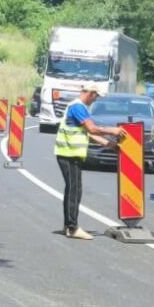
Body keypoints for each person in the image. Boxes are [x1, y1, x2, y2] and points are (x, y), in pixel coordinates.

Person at [55, 82, 125, 239]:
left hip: (69, 154)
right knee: (74, 190)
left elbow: (89, 134)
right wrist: (112, 130)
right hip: (69, 154)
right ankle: (72, 228)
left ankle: (68, 226)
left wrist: (110, 145)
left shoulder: (77, 107)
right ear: (91, 93)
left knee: (72, 190)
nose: (95, 100)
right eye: (96, 96)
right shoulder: (78, 107)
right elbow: (93, 129)